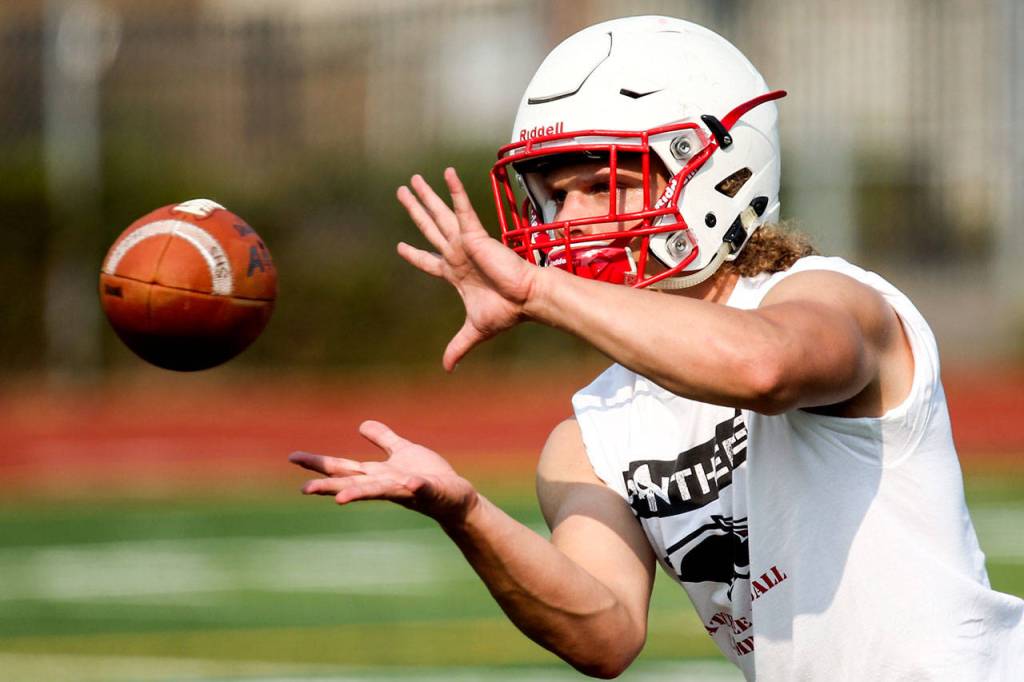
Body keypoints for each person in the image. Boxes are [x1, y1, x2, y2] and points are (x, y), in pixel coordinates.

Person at [290, 15, 1024, 680]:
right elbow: (604, 635)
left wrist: (539, 295)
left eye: (603, 185)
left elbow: (761, 366)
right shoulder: (590, 434)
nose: (568, 218)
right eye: (554, 194)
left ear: (717, 174)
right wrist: (468, 514)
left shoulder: (834, 298)